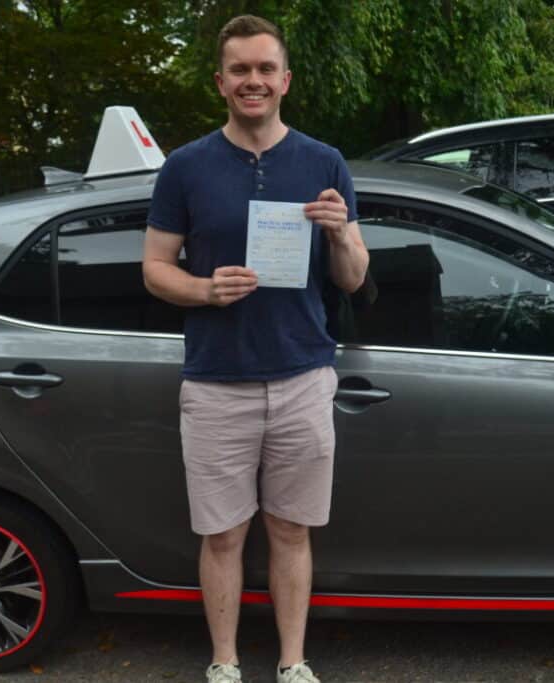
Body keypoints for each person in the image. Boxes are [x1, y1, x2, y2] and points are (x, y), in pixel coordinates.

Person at [142, 14, 368, 683]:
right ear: (221, 82)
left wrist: (339, 234)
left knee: (292, 531)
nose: (254, 80)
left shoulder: (324, 162)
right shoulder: (184, 168)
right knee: (223, 535)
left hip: (302, 375)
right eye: (240, 69)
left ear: (286, 80)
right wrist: (205, 291)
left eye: (266, 69)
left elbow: (353, 276)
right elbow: (154, 268)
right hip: (216, 381)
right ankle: (225, 662)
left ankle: (293, 662)